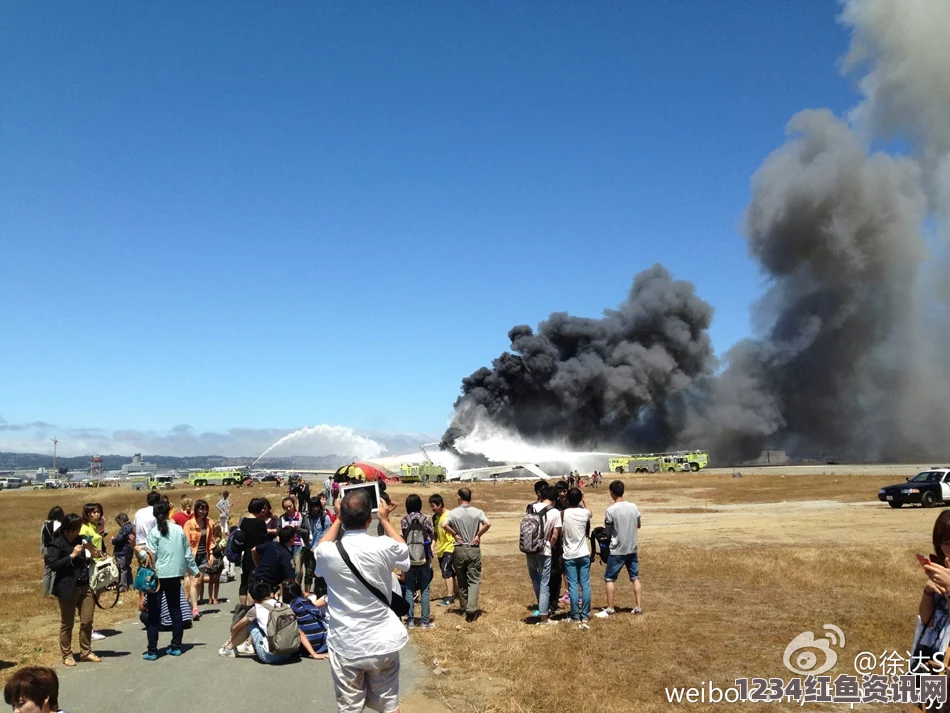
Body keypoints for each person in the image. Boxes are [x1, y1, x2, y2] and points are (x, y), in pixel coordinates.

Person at [314, 489, 411, 713]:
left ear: (341, 517)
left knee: (350, 708)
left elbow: (319, 548)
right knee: (389, 705)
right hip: (383, 641)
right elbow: (405, 553)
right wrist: (385, 520)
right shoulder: (383, 546)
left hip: (346, 642)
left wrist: (338, 518)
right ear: (370, 518)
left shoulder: (329, 552)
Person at [144, 502, 199, 660]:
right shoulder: (178, 530)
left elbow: (149, 556)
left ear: (155, 515)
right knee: (176, 611)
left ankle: (152, 651)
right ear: (169, 513)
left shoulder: (153, 532)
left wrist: (138, 551)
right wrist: (194, 571)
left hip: (158, 576)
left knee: (154, 614)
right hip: (175, 575)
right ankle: (176, 646)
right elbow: (187, 553)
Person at [45, 513, 101, 666]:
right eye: (76, 529)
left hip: (85, 586)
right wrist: (72, 556)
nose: (78, 531)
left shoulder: (80, 539)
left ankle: (86, 652)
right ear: (69, 529)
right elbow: (53, 565)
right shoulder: (56, 544)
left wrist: (92, 550)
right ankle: (67, 654)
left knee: (87, 621)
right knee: (67, 623)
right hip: (67, 588)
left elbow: (96, 554)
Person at [218, 580, 304, 664]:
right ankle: (248, 645)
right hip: (289, 653)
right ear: (271, 594)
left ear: (255, 600)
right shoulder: (284, 606)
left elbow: (236, 627)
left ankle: (229, 649)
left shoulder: (256, 609)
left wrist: (231, 638)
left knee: (250, 624)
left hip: (270, 656)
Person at [442, 488, 491, 623]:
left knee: (461, 579)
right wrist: (478, 535)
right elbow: (488, 523)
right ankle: (471, 608)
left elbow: (444, 524)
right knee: (474, 580)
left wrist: (454, 534)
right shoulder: (478, 512)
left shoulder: (453, 513)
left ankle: (464, 606)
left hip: (459, 548)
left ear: (459, 498)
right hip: (473, 548)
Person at [595, 480, 642, 618]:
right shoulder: (633, 507)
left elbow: (608, 533)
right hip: (632, 547)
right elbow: (638, 525)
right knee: (635, 577)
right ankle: (638, 606)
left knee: (609, 578)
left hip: (617, 549)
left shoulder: (611, 510)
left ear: (611, 492)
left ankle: (610, 608)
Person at [524, 485, 562, 624]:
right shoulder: (555, 512)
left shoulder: (530, 507)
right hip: (544, 549)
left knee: (535, 578)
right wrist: (549, 546)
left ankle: (542, 605)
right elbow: (555, 535)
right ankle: (544, 616)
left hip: (529, 547)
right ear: (554, 498)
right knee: (545, 582)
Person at [401, 494, 435, 629]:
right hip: (424, 558)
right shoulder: (425, 519)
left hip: (409, 558)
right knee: (425, 590)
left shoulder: (405, 520)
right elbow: (431, 535)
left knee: (409, 589)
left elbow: (404, 535)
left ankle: (410, 621)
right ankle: (425, 621)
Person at [561, 487, 593, 627]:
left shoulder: (563, 514)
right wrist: (585, 499)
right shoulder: (584, 513)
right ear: (579, 499)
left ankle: (575, 614)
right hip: (583, 552)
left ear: (568, 499)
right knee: (585, 584)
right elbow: (590, 512)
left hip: (569, 554)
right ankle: (585, 614)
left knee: (573, 585)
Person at [184, 499, 214, 618]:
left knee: (199, 582)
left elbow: (210, 540)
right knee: (193, 581)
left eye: (205, 509)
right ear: (196, 509)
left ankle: (190, 606)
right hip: (191, 556)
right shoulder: (189, 524)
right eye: (200, 509)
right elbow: (185, 541)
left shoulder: (209, 523)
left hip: (203, 555)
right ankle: (193, 608)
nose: (203, 511)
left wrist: (211, 553)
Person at [285, 581, 329, 660]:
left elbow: (299, 631)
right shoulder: (307, 602)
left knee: (290, 625)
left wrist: (314, 654)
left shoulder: (291, 607)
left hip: (310, 644)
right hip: (323, 642)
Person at [238, 498, 270, 606]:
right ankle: (251, 607)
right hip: (256, 554)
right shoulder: (260, 523)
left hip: (244, 554)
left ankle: (243, 607)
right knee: (254, 581)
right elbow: (264, 539)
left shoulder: (243, 520)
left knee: (244, 582)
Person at [428, 494, 456, 607]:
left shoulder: (450, 515)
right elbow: (435, 534)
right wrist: (432, 545)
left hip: (450, 546)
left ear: (440, 504)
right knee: (449, 571)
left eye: (433, 506)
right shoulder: (435, 518)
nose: (432, 508)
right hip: (441, 548)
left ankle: (449, 596)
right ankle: (455, 592)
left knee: (446, 570)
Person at [303, 495, 333, 597]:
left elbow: (326, 533)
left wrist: (316, 546)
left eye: (317, 506)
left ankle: (321, 593)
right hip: (308, 548)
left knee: (321, 572)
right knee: (308, 572)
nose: (315, 509)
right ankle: (307, 594)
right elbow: (304, 532)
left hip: (320, 549)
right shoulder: (306, 517)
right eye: (313, 506)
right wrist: (308, 546)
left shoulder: (325, 517)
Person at [252, 526, 296, 593]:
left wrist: (257, 565)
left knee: (250, 603)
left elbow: (253, 550)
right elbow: (291, 580)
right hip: (267, 589)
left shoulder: (270, 544)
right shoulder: (287, 556)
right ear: (291, 539)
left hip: (254, 582)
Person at [278, 496, 306, 583]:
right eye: (286, 507)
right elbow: (279, 532)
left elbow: (307, 531)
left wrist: (297, 529)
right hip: (286, 546)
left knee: (297, 570)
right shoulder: (282, 518)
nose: (289, 509)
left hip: (298, 545)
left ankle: (296, 588)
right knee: (288, 568)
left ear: (294, 505)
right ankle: (288, 588)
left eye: (290, 506)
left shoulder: (301, 516)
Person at [41, 506, 64, 597]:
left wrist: (43, 550)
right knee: (55, 571)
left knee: (47, 571)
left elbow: (42, 539)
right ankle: (52, 592)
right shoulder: (59, 524)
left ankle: (45, 592)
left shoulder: (45, 524)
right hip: (55, 550)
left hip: (47, 549)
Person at [111, 513, 135, 592]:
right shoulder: (131, 526)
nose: (118, 524)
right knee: (127, 567)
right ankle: (130, 584)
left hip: (122, 551)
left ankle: (123, 586)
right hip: (130, 550)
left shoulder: (124, 528)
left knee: (122, 568)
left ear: (121, 520)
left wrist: (113, 540)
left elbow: (119, 539)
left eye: (118, 522)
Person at [207, 523, 225, 604]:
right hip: (218, 561)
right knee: (216, 581)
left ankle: (210, 598)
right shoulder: (221, 540)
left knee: (211, 581)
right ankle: (215, 599)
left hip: (211, 561)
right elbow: (223, 551)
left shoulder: (210, 539)